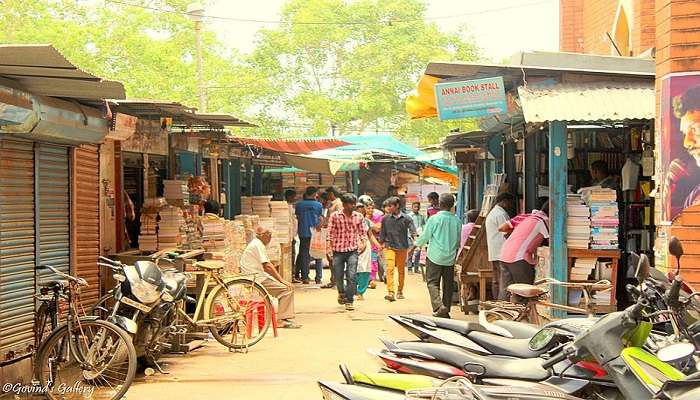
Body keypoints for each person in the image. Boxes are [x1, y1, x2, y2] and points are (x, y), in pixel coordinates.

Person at [239, 226, 301, 329]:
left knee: (284, 287)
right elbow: (267, 265)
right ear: (265, 236)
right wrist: (282, 280)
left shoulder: (256, 244)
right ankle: (282, 320)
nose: (270, 239)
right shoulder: (257, 245)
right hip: (256, 278)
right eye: (269, 236)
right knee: (287, 289)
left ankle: (283, 317)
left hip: (256, 276)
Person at [414, 193, 462, 318]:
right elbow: (458, 241)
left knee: (432, 283)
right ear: (452, 206)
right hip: (450, 257)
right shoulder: (457, 221)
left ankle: (439, 306)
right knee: (448, 285)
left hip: (435, 256)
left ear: (440, 204)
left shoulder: (434, 219)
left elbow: (425, 236)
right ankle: (446, 310)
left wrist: (415, 244)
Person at [498, 201, 550, 293]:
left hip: (504, 254)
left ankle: (505, 307)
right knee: (525, 291)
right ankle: (523, 306)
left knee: (507, 291)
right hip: (518, 257)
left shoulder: (527, 217)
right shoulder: (543, 220)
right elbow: (552, 243)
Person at [327, 193, 367, 311]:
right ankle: (341, 292)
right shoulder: (335, 216)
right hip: (338, 250)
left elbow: (362, 232)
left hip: (352, 250)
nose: (353, 206)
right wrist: (328, 247)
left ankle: (349, 300)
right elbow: (329, 233)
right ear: (344, 204)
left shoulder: (358, 216)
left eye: (354, 203)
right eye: (350, 203)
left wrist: (363, 243)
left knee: (352, 275)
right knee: (338, 275)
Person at [380, 196, 416, 302]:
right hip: (389, 247)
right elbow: (382, 234)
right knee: (389, 269)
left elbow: (413, 231)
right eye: (387, 206)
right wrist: (380, 245)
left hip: (402, 247)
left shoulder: (407, 218)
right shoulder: (385, 219)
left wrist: (416, 241)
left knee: (401, 270)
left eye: (390, 206)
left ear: (397, 206)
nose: (388, 208)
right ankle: (391, 292)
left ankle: (400, 290)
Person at [485, 193, 514, 300]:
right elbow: (507, 232)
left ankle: (497, 300)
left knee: (496, 279)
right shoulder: (501, 214)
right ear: (505, 202)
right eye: (510, 202)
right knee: (504, 279)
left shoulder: (493, 213)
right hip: (501, 251)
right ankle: (502, 302)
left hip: (494, 251)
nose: (510, 205)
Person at [294, 187, 323, 284]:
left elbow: (297, 217)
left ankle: (305, 277)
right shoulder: (318, 205)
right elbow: (320, 217)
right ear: (315, 194)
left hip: (303, 232)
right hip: (316, 232)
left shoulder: (299, 205)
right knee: (318, 254)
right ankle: (318, 278)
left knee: (304, 255)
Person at [354, 202, 382, 300]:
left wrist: (378, 245)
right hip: (351, 247)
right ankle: (353, 289)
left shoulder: (366, 222)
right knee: (353, 269)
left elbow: (370, 234)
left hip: (366, 248)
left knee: (365, 270)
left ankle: (361, 291)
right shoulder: (348, 220)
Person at [359, 195, 384, 289]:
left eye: (371, 208)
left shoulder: (378, 215)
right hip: (359, 244)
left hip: (373, 243)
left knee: (373, 262)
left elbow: (377, 229)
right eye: (367, 208)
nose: (370, 210)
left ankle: (371, 279)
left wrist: (368, 221)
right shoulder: (358, 217)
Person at [320, 187, 343, 288]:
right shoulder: (332, 203)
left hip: (335, 234)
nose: (328, 196)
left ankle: (336, 280)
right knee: (330, 258)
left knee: (333, 258)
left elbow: (340, 218)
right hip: (331, 232)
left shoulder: (338, 204)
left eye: (329, 194)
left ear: (332, 194)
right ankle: (333, 279)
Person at [285, 189, 302, 283]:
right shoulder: (286, 207)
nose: (295, 198)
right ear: (289, 197)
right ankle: (291, 276)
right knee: (291, 257)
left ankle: (292, 275)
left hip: (292, 236)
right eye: (294, 196)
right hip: (289, 236)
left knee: (292, 256)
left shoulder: (290, 207)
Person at [407, 201, 426, 274]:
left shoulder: (421, 216)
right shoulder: (409, 216)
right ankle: (409, 268)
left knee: (418, 252)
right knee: (410, 251)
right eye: (415, 207)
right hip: (410, 236)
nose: (416, 208)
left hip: (419, 236)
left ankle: (416, 268)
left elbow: (423, 225)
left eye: (418, 207)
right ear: (412, 207)